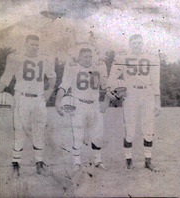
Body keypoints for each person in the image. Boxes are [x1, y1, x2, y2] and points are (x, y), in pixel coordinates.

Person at [0, 34, 56, 176]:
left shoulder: (45, 58)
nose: (34, 47)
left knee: (39, 130)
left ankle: (39, 164)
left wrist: (50, 90)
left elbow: (52, 76)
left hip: (39, 99)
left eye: (36, 45)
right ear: (25, 44)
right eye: (31, 44)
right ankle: (16, 164)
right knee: (19, 130)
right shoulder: (16, 57)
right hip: (22, 98)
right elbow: (5, 79)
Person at [107, 34, 161, 171]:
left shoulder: (151, 57)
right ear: (130, 44)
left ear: (142, 43)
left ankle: (148, 161)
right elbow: (112, 76)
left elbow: (155, 81)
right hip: (131, 94)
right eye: (134, 43)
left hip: (147, 94)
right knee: (130, 129)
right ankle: (128, 160)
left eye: (139, 43)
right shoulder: (122, 57)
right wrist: (112, 89)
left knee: (148, 129)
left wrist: (157, 101)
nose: (137, 45)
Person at [55, 43, 109, 171]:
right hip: (78, 105)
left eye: (90, 56)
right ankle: (76, 162)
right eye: (85, 57)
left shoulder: (98, 68)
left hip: (94, 105)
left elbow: (106, 86)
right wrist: (57, 102)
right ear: (79, 58)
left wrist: (106, 102)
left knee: (97, 134)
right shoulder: (73, 69)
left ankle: (97, 160)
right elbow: (64, 86)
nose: (88, 59)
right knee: (78, 134)